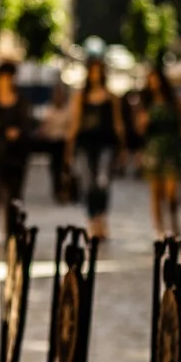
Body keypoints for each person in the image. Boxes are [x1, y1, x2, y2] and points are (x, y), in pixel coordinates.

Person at [67, 58, 126, 239]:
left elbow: (118, 124)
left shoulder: (111, 97)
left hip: (106, 144)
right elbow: (75, 123)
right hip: (85, 144)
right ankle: (92, 221)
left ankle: (102, 219)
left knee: (102, 183)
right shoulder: (81, 97)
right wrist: (69, 149)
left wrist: (122, 147)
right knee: (88, 184)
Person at [0, 60, 34, 247]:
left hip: (15, 156)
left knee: (13, 197)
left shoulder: (22, 102)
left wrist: (18, 132)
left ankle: (11, 233)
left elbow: (28, 126)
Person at [137, 66, 181, 239]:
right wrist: (143, 122)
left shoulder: (175, 102)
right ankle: (159, 227)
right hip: (153, 149)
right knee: (156, 192)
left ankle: (174, 222)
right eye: (150, 80)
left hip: (172, 148)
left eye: (156, 80)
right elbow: (139, 130)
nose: (154, 84)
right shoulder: (145, 104)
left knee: (171, 192)